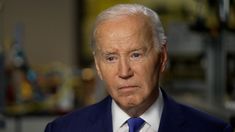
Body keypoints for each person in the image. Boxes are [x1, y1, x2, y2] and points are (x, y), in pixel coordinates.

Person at [45, 4, 233, 132]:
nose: (124, 72)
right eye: (111, 58)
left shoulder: (212, 130)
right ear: (98, 66)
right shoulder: (63, 130)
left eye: (136, 55)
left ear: (163, 56)